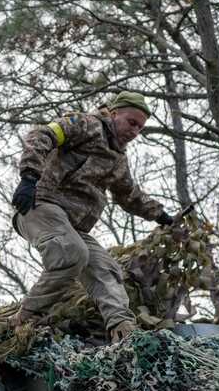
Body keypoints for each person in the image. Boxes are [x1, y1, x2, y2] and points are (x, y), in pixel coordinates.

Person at [10, 91, 176, 341]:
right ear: (114, 113)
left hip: (74, 227)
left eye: (140, 128)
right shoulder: (85, 125)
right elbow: (43, 134)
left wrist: (161, 215)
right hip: (41, 206)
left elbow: (129, 194)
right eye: (131, 122)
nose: (134, 131)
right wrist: (29, 177)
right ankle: (26, 317)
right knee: (71, 253)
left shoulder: (118, 160)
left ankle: (122, 330)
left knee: (106, 269)